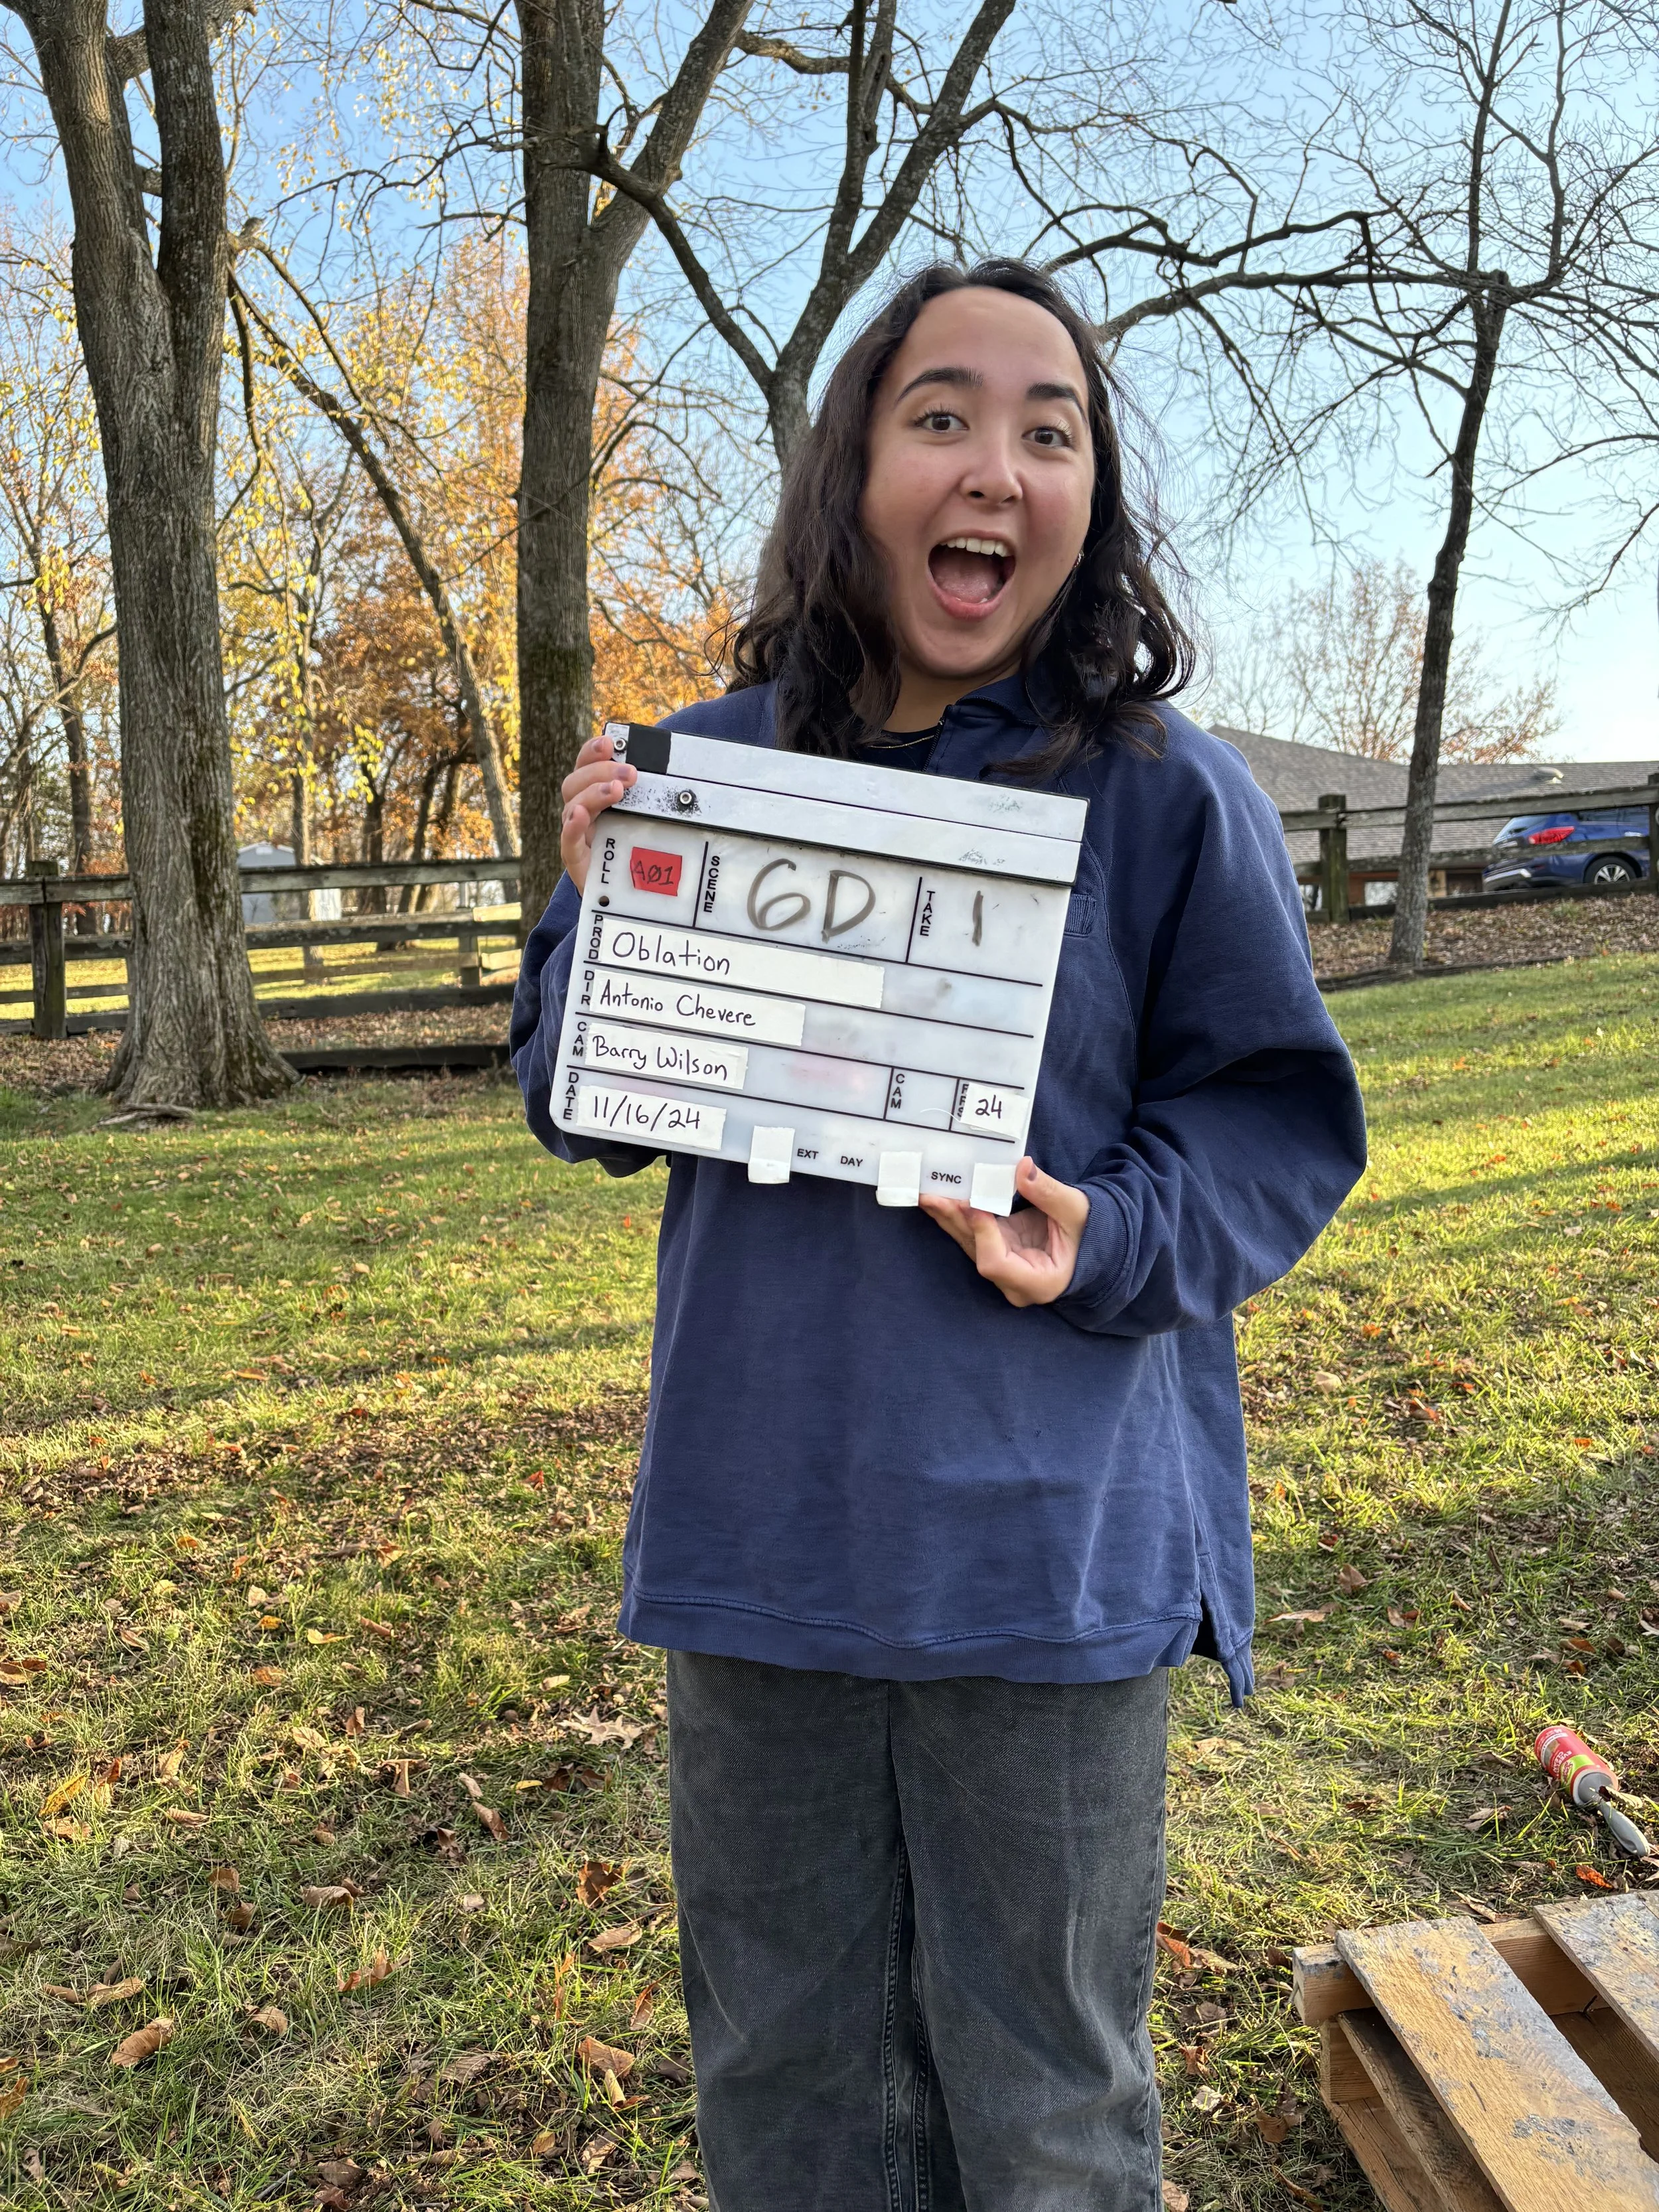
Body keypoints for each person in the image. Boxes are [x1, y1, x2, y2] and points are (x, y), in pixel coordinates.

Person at [513, 259, 1366, 2212]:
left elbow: (1275, 1122)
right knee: (785, 2080)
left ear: (1086, 502)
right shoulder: (712, 771)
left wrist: (1116, 1229)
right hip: (762, 1546)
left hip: (1044, 1562)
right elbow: (581, 1101)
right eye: (940, 414)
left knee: (1049, 2099)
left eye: (1045, 429)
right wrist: (587, 898)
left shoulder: (1165, 798)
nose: (994, 462)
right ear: (855, 468)